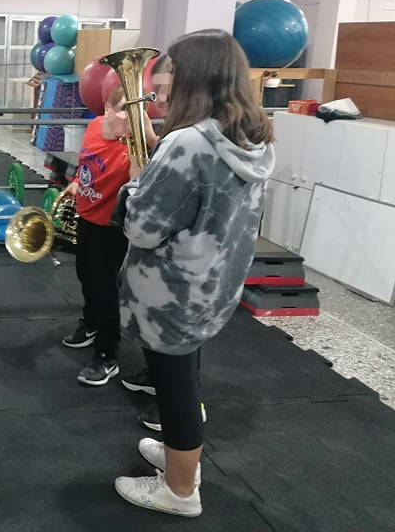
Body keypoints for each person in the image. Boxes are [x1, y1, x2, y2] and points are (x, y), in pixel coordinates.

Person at [111, 29, 275, 518]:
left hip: (171, 292)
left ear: (192, 77)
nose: (160, 83)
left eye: (169, 72)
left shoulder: (187, 142)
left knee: (176, 390)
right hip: (212, 283)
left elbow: (142, 227)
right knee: (185, 377)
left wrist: (133, 187)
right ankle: (181, 456)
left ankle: (180, 491)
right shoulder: (247, 137)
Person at [60, 85, 156, 388]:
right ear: (107, 110)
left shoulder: (134, 150)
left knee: (106, 291)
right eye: (125, 110)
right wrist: (77, 182)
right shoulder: (94, 127)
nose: (130, 119)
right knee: (85, 276)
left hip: (111, 228)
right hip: (86, 219)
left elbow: (139, 190)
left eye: (137, 113)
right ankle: (90, 323)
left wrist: (149, 142)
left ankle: (107, 354)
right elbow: (85, 164)